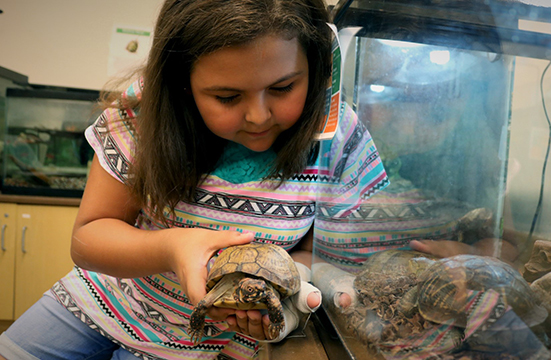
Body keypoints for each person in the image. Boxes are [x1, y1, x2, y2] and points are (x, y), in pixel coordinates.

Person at [0, 0, 388, 359]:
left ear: (316, 65)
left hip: (213, 340)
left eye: (283, 87)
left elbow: (318, 253)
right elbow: (90, 237)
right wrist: (172, 246)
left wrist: (288, 293)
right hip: (108, 297)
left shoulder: (339, 138)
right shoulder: (144, 115)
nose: (258, 115)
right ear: (183, 85)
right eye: (227, 97)